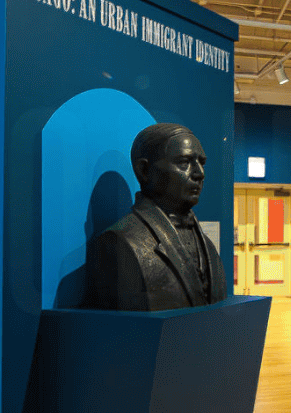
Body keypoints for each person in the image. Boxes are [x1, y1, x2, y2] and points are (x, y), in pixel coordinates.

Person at [86, 123, 226, 310]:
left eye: (201, 163)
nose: (199, 173)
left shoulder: (208, 247)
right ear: (144, 171)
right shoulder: (120, 242)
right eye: (184, 162)